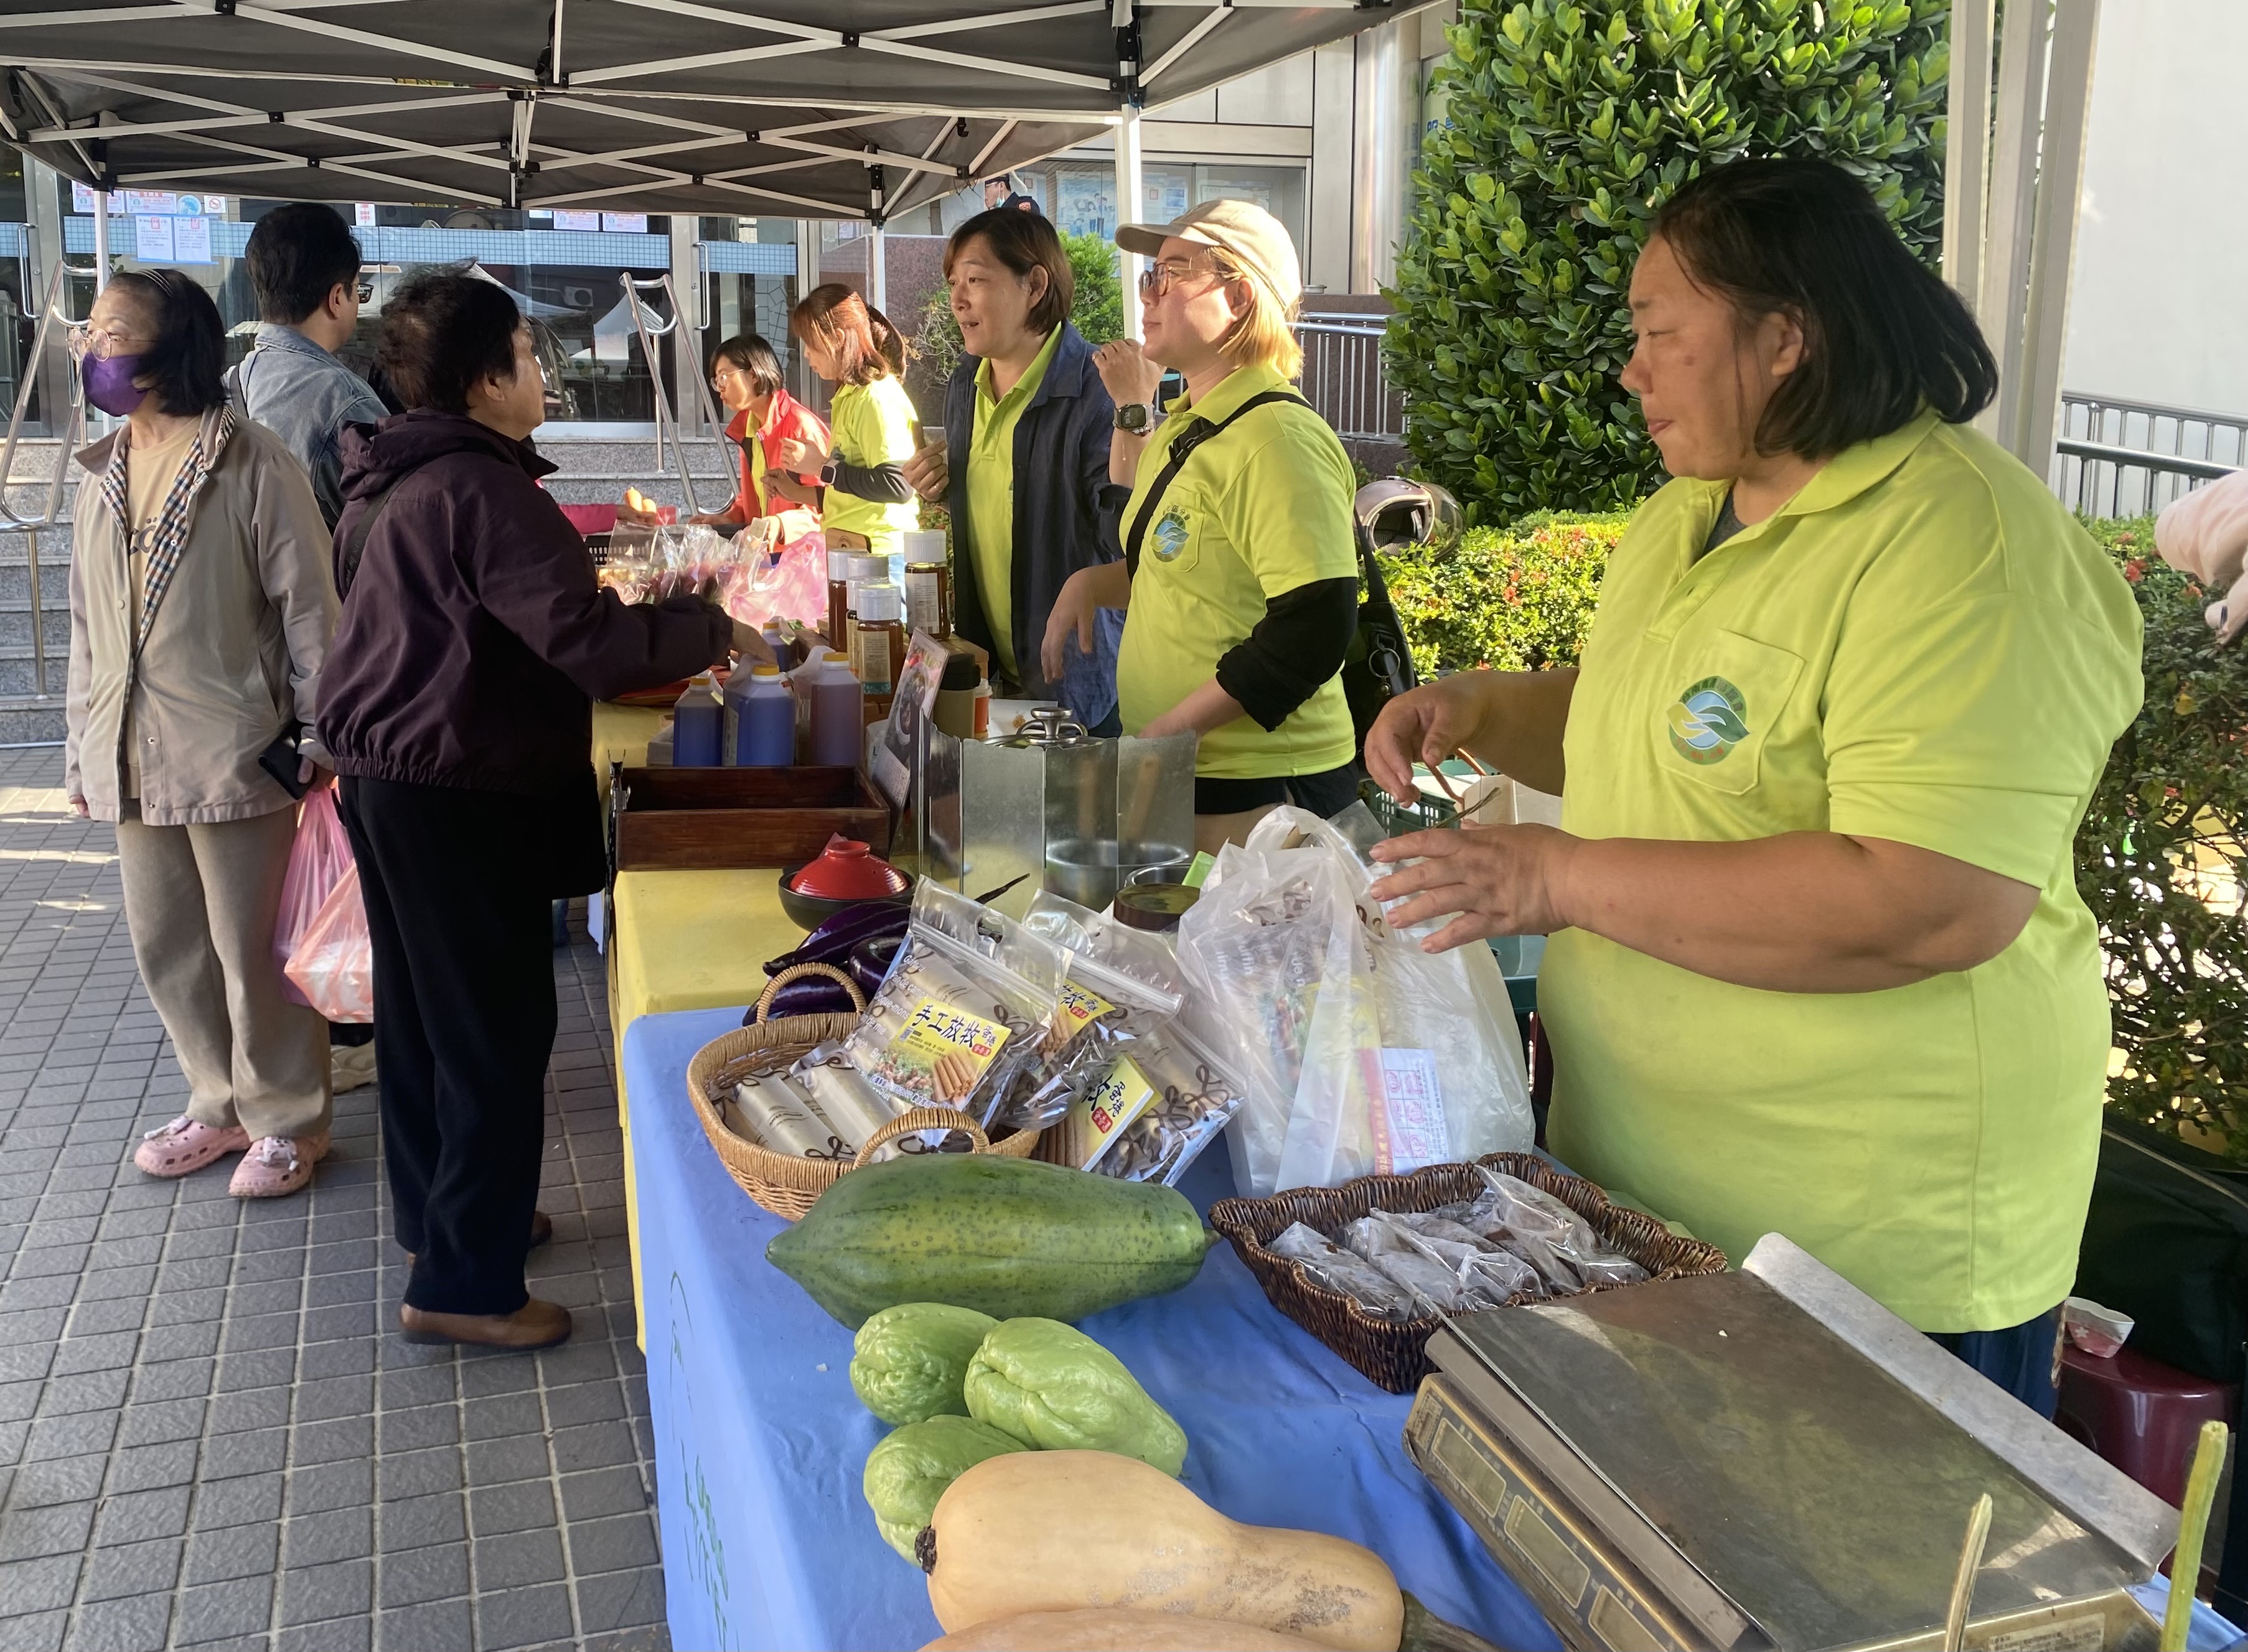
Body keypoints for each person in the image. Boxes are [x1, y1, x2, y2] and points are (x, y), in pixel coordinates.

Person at [1361, 159, 2143, 1415]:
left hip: (1865, 1248)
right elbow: (1663, 733)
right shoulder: (1693, 514)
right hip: (1643, 1189)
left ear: (1786, 336)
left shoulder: (1963, 547)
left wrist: (1554, 877)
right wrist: (1495, 706)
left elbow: (1930, 898)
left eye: (1660, 333)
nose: (1633, 369)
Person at [319, 272, 752, 1351]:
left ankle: (449, 1223)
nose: (542, 370)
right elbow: (593, 647)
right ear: (483, 377)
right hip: (452, 785)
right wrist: (711, 627)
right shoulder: (480, 488)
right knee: (494, 1029)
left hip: (388, 776)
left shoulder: (394, 479)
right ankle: (467, 1285)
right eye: (526, 349)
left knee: (424, 1020)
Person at [65, 270, 339, 1198]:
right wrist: (78, 746)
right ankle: (216, 1101)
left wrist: (322, 733)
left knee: (254, 947)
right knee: (168, 943)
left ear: (169, 349)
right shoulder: (101, 469)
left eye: (110, 333)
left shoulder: (253, 462)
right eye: (92, 332)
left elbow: (313, 612)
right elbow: (84, 627)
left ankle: (290, 1118)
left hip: (236, 749)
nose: (91, 348)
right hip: (129, 751)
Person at [1041, 200, 1361, 854]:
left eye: (1171, 274)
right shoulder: (1188, 426)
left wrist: (1171, 734)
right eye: (1148, 276)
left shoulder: (1277, 438)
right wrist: (1096, 582)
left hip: (1265, 794)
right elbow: (1182, 572)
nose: (1148, 293)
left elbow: (1315, 625)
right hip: (1189, 775)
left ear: (1239, 295)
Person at [228, 199, 389, 1094]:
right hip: (340, 663)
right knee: (350, 862)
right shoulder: (342, 399)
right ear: (340, 293)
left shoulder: (234, 389)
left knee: (294, 870)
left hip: (257, 674)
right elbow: (375, 552)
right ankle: (353, 1027)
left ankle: (304, 1031)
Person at [902, 209, 1131, 727]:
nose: (957, 299)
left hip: (1076, 688)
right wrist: (941, 489)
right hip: (990, 671)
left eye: (977, 280)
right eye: (953, 283)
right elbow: (1003, 497)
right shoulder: (966, 383)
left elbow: (1126, 540)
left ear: (1035, 285)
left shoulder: (1097, 391)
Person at [617, 333, 827, 531]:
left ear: (753, 375)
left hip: (802, 559)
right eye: (716, 382)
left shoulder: (801, 426)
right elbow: (751, 500)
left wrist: (778, 527)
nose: (720, 389)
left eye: (723, 378)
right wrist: (728, 519)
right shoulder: (750, 427)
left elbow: (825, 507)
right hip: (769, 554)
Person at [789, 284, 919, 558]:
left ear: (837, 338)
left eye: (810, 343)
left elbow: (900, 484)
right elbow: (853, 496)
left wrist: (822, 467)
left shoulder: (876, 396)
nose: (806, 354)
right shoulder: (851, 395)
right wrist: (796, 489)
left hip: (881, 558)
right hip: (856, 554)